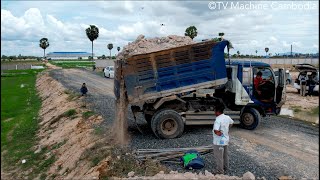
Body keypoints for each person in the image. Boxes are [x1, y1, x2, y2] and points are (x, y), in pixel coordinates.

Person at [212, 104, 234, 174]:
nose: (214, 113)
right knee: (225, 154)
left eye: (215, 111)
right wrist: (225, 131)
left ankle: (220, 171)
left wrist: (219, 133)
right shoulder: (227, 117)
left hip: (218, 142)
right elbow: (231, 123)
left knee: (219, 156)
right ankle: (226, 167)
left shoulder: (218, 119)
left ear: (217, 111)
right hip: (225, 140)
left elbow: (216, 130)